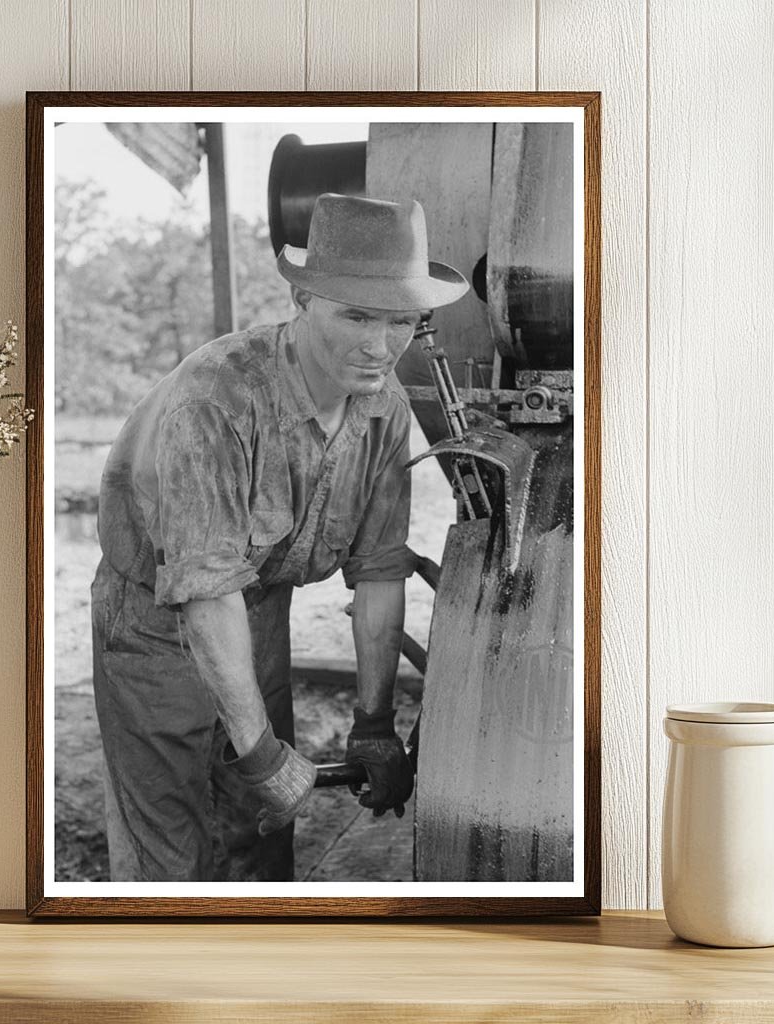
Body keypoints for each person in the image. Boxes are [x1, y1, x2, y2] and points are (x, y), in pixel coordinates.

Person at [91, 192, 469, 881]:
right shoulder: (218, 400)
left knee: (260, 833)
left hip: (260, 608)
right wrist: (263, 753)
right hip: (152, 622)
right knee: (168, 847)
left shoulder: (384, 408)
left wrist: (374, 724)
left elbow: (379, 571)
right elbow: (206, 595)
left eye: (401, 322)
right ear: (302, 299)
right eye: (356, 315)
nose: (380, 345)